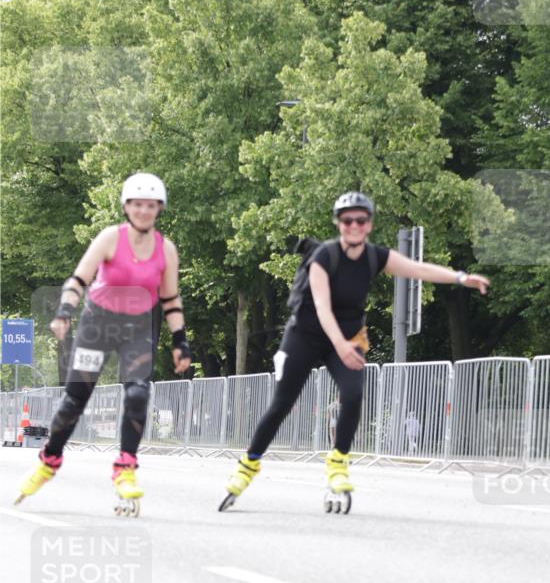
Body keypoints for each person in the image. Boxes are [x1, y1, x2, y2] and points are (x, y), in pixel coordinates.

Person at [221, 191, 490, 509]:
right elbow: (322, 307)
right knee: (282, 403)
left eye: (360, 220)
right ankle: (248, 465)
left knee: (353, 394)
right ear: (339, 223)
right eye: (347, 220)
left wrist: (461, 278)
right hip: (306, 335)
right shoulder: (324, 256)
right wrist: (340, 346)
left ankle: (338, 461)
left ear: (369, 225)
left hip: (348, 337)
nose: (354, 225)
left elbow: (417, 270)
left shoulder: (376, 257)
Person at [15, 173, 191, 511]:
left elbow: (170, 299)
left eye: (150, 205)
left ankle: (125, 468)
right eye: (137, 204)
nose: (143, 211)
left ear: (159, 209)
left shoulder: (166, 249)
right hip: (98, 326)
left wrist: (181, 341)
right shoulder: (111, 238)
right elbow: (78, 278)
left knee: (138, 392)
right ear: (126, 207)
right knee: (74, 400)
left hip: (138, 329)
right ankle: (48, 460)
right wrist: (64, 312)